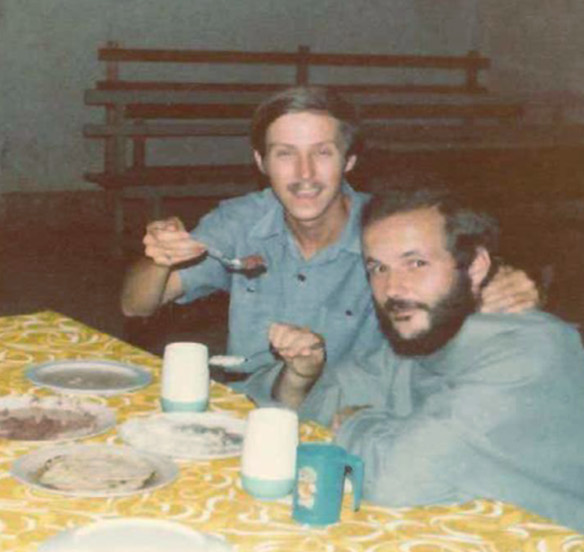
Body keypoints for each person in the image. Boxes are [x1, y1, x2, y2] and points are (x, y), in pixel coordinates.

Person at [264, 186, 584, 552]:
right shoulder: (423, 335)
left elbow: (398, 479)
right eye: (377, 268)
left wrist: (354, 423)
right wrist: (300, 379)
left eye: (415, 263)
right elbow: (311, 411)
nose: (393, 288)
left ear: (475, 267)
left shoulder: (530, 354)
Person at [118, 86, 541, 403]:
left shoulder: (388, 231)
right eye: (285, 154)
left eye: (322, 153)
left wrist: (503, 283)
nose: (305, 174)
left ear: (350, 160)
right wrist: (158, 259)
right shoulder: (240, 222)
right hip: (251, 413)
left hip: (355, 419)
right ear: (261, 163)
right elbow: (135, 306)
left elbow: (468, 282)